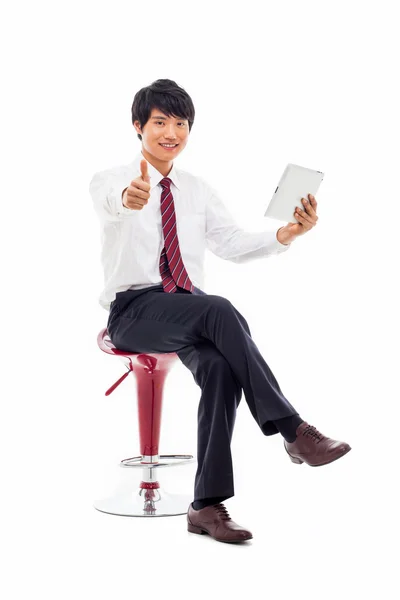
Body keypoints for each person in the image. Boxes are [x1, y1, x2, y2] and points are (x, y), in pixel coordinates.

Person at [89, 78, 351, 544]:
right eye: (160, 122)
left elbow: (230, 243)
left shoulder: (197, 189)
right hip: (133, 312)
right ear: (137, 126)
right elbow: (114, 205)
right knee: (220, 310)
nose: (171, 132)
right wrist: (130, 199)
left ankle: (205, 505)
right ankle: (293, 430)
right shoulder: (112, 179)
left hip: (187, 312)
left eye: (181, 123)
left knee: (220, 367)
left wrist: (287, 233)